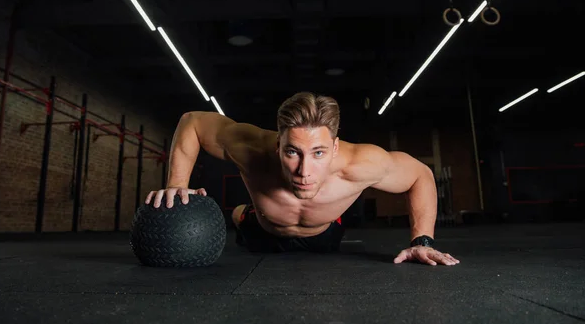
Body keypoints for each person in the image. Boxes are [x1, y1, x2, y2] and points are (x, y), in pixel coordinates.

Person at [145, 92, 460, 266]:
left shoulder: (363, 163)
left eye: (319, 153)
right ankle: (243, 214)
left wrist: (422, 241)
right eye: (292, 152)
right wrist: (177, 183)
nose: (304, 171)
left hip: (324, 234)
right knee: (245, 217)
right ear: (277, 144)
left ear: (335, 148)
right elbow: (193, 122)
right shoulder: (250, 148)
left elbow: (420, 174)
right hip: (262, 229)